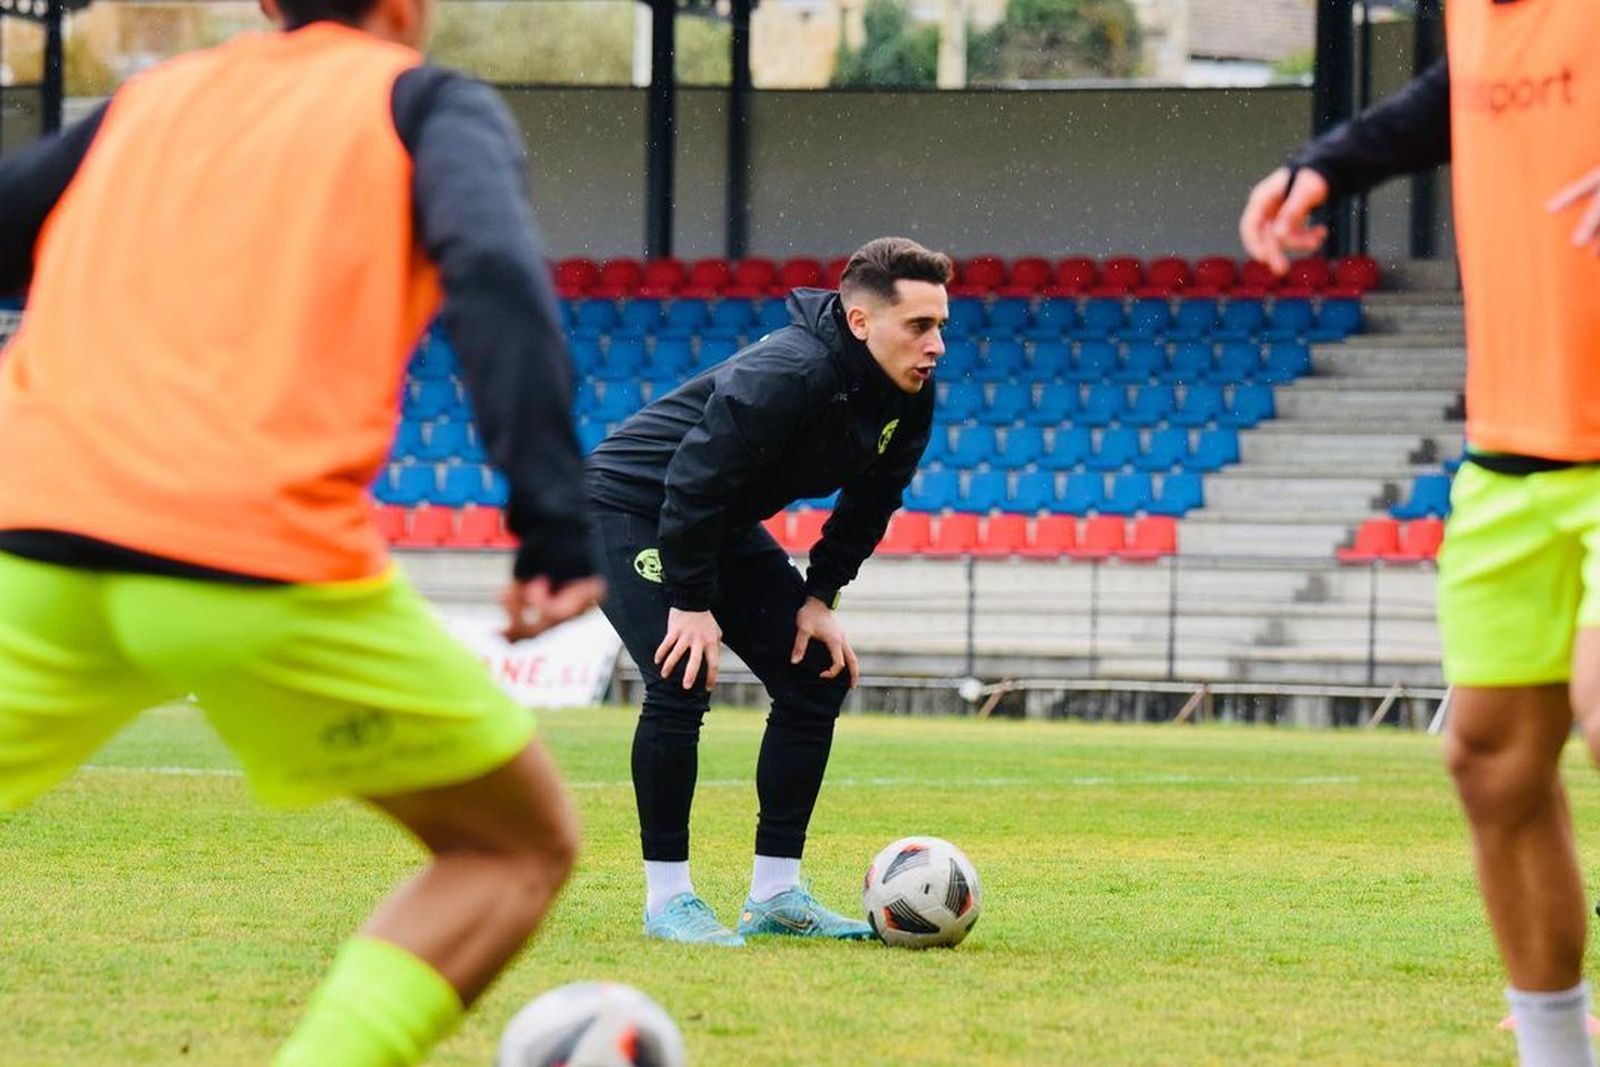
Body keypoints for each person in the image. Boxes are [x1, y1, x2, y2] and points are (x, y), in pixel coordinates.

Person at [0, 0, 606, 1060]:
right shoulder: (423, 103)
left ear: (265, 5)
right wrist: (554, 522)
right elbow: (496, 273)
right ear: (409, 8)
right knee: (511, 847)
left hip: (27, 544)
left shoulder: (151, 99)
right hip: (253, 562)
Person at [1239, 6, 1600, 1065]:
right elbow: (1461, 97)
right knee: (1490, 758)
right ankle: (1554, 1051)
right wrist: (1327, 165)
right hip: (1516, 438)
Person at [586, 236, 949, 945]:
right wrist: (690, 604)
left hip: (711, 519)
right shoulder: (788, 371)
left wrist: (820, 599)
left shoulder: (912, 394)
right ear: (861, 320)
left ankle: (777, 893)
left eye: (940, 325)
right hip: (622, 507)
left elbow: (869, 503)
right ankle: (668, 901)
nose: (935, 344)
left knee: (815, 675)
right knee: (680, 670)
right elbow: (693, 479)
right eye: (919, 325)